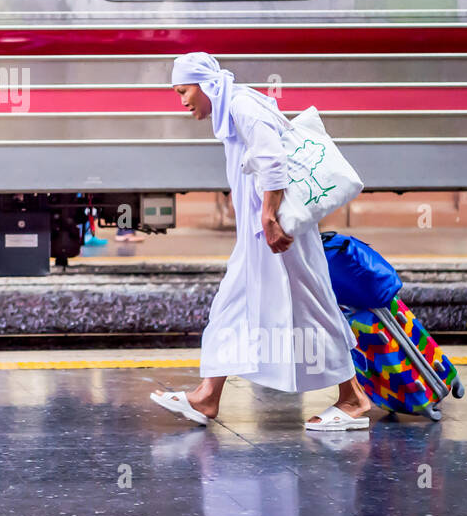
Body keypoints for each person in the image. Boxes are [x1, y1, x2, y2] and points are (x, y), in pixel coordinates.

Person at [150, 52, 373, 431]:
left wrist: (269, 218)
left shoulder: (240, 105)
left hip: (280, 233)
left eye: (184, 91)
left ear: (204, 84)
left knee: (312, 306)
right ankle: (207, 397)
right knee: (231, 307)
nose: (183, 101)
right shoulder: (232, 108)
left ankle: (353, 399)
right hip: (259, 236)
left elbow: (272, 160)